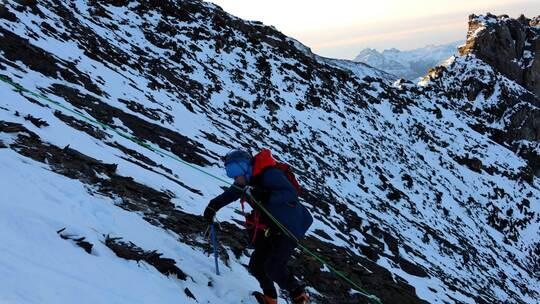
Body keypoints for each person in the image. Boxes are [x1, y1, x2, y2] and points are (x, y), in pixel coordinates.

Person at [203, 148, 313, 304]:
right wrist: (213, 206)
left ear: (245, 167)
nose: (234, 176)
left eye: (235, 170)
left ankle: (300, 297)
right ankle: (270, 299)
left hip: (289, 228)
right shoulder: (247, 181)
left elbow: (290, 192)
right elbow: (231, 194)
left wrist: (267, 196)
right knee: (256, 266)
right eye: (230, 171)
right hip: (272, 227)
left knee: (274, 268)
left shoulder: (269, 174)